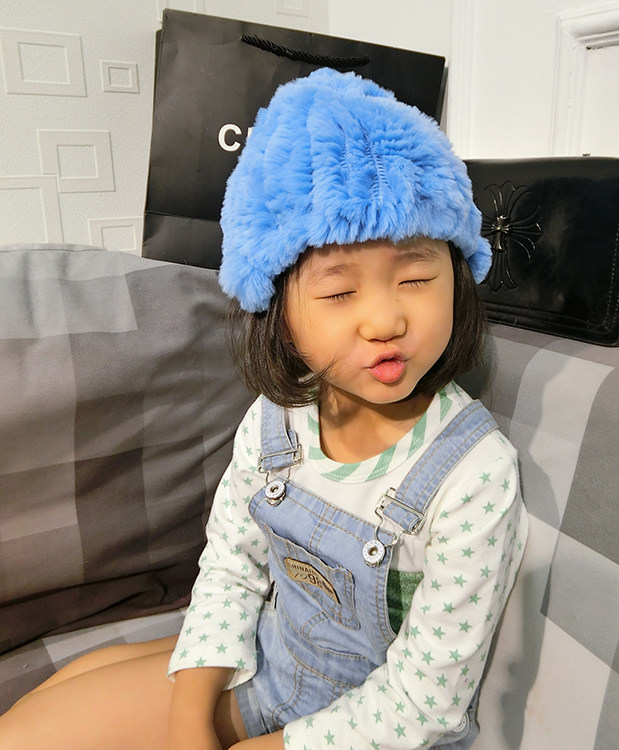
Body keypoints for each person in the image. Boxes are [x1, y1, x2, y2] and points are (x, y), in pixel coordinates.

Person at [0, 68, 527, 750]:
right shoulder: (277, 419)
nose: (386, 320)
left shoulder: (474, 475)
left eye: (417, 277)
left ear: (458, 275)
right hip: (276, 663)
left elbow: (424, 705)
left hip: (366, 731)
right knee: (58, 694)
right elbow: (232, 564)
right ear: (277, 315)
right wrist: (189, 721)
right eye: (339, 293)